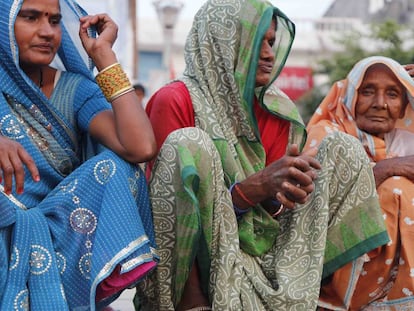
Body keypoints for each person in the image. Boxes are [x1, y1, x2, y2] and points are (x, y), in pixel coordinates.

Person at [135, 1, 389, 310]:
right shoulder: (175, 99)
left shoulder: (277, 109)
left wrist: (279, 195)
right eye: (257, 41)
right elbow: (167, 211)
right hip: (193, 269)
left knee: (343, 151)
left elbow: (267, 219)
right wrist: (251, 189)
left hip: (262, 255)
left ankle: (320, 295)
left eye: (271, 42)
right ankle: (195, 301)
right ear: (222, 43)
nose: (269, 53)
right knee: (189, 144)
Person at [0, 0, 158, 309]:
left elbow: (140, 147)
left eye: (55, 21)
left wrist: (103, 56)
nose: (47, 32)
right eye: (31, 18)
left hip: (60, 234)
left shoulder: (73, 90)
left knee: (117, 167)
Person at [306, 55, 414, 310]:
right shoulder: (329, 136)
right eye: (367, 91)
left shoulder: (403, 140)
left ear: (403, 105)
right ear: (350, 96)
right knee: (395, 188)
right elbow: (316, 210)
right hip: (331, 271)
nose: (380, 104)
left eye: (392, 94)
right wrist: (384, 170)